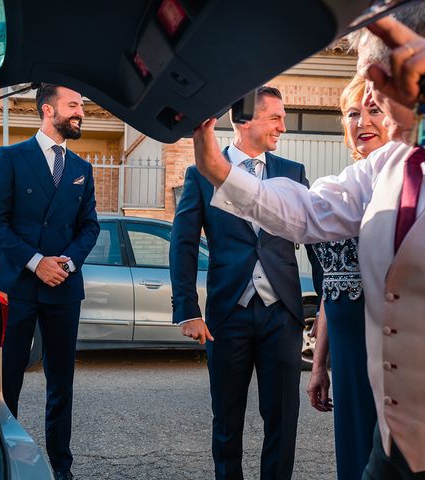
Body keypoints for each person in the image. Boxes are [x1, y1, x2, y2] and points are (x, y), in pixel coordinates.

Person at [191, 4, 425, 478]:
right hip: (398, 444)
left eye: (376, 78)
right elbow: (307, 212)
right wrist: (220, 172)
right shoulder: (385, 165)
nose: (372, 94)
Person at [170, 86, 323, 480]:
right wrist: (187, 310)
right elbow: (183, 244)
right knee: (226, 420)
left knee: (282, 419)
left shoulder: (292, 173)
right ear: (244, 121)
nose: (283, 128)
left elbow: (315, 241)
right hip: (226, 317)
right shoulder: (202, 172)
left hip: (282, 315)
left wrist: (325, 306)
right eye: (276, 118)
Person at [0, 84, 100, 480]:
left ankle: (61, 468)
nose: (80, 112)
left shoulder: (82, 170)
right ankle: (6, 463)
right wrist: (36, 262)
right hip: (17, 286)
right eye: (73, 106)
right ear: (48, 110)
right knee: (7, 384)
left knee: (61, 385)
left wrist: (67, 262)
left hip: (64, 290)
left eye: (81, 106)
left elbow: (89, 226)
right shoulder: (10, 157)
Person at [306, 74, 388, 480]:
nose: (362, 121)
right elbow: (328, 290)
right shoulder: (340, 189)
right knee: (353, 453)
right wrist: (320, 364)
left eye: (374, 110)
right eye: (353, 113)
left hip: (390, 350)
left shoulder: (409, 185)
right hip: (346, 349)